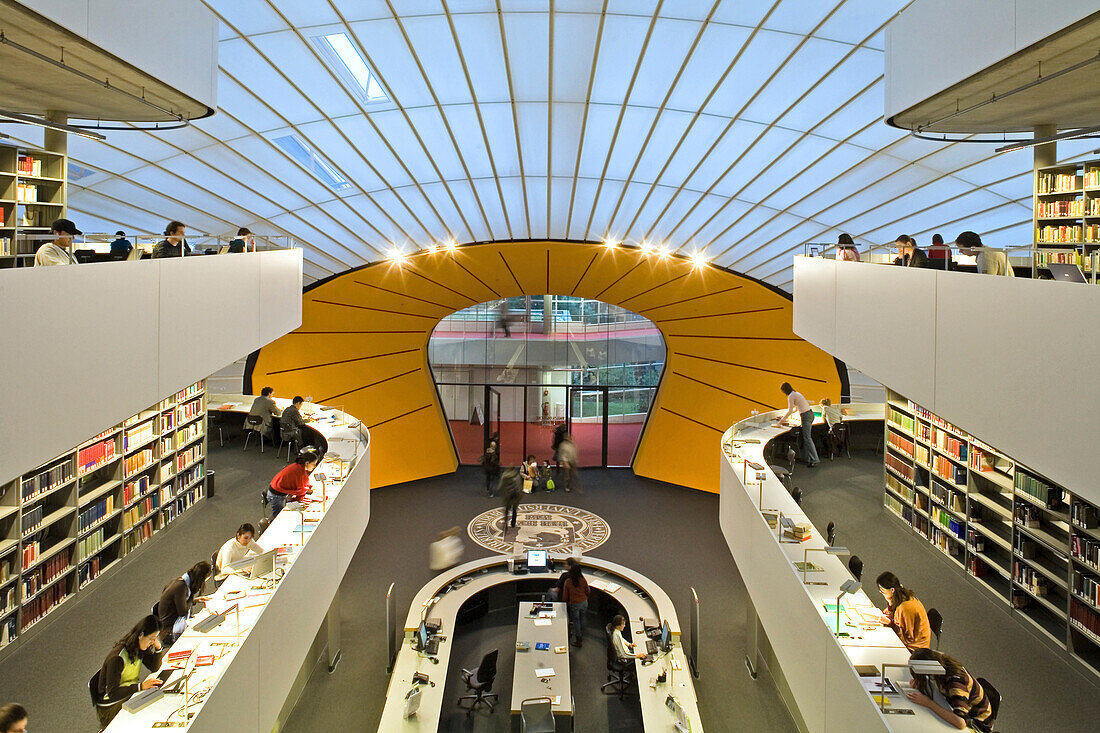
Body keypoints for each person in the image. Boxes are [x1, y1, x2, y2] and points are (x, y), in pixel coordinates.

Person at [93, 615, 165, 727]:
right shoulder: (117, 658)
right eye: (151, 639)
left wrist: (158, 648)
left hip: (127, 694)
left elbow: (154, 667)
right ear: (141, 635)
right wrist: (140, 687)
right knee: (149, 705)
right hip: (109, 707)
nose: (152, 642)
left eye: (155, 638)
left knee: (154, 697)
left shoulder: (139, 647)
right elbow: (113, 693)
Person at [904, 648, 994, 732]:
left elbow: (961, 723)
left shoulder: (956, 684)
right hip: (954, 704)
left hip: (977, 725)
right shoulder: (939, 659)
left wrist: (928, 703)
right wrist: (920, 681)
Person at [157, 561, 212, 645]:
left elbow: (179, 603)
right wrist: (192, 596)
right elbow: (183, 612)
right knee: (204, 635)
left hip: (171, 623)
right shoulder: (181, 587)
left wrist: (195, 600)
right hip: (169, 632)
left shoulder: (180, 581)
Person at [876, 571, 931, 651]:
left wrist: (890, 623)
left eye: (883, 591)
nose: (881, 593)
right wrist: (889, 608)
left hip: (915, 648)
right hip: (911, 642)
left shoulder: (905, 607)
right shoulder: (902, 596)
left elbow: (907, 637)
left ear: (892, 590)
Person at [267, 447, 321, 518]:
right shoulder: (299, 471)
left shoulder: (298, 466)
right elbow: (300, 490)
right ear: (307, 463)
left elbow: (304, 483)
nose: (314, 466)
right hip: (276, 496)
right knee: (279, 517)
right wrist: (307, 490)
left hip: (276, 491)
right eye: (313, 464)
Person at [776, 382, 819, 467]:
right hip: (810, 414)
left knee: (807, 438)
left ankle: (815, 459)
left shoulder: (791, 396)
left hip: (806, 416)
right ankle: (806, 459)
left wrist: (781, 421)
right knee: (805, 438)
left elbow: (790, 410)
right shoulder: (796, 393)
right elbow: (795, 409)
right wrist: (783, 417)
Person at [561, 559, 590, 647]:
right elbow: (588, 591)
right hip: (584, 602)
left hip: (575, 604)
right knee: (582, 617)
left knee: (576, 621)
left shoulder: (568, 582)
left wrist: (564, 604)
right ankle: (582, 632)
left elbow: (565, 596)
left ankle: (579, 640)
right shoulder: (582, 579)